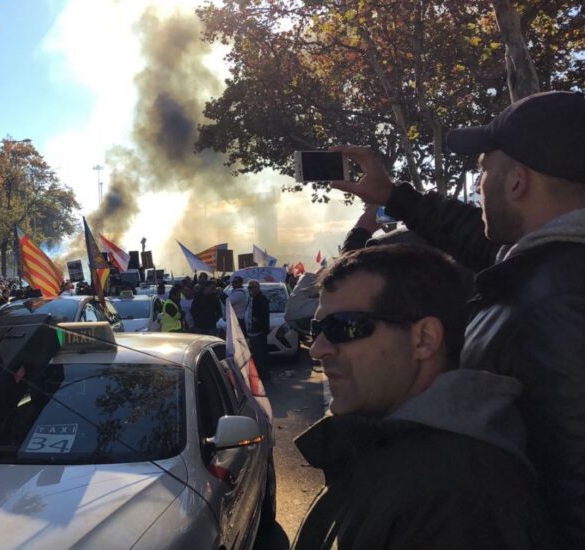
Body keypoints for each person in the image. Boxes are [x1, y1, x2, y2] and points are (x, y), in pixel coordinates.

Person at [330, 90, 585, 544]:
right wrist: (393, 196)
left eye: (484, 168)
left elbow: (574, 487)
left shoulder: (558, 304)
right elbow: (473, 238)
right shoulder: (542, 267)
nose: (479, 182)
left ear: (516, 182)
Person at [293, 245, 552, 549]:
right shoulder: (398, 455)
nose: (318, 348)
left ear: (424, 339)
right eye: (318, 328)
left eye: (344, 327)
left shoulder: (455, 501)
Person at [245, 279, 271, 381]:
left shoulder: (262, 299)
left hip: (259, 332)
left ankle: (263, 375)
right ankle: (260, 374)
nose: (249, 290)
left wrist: (257, 319)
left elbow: (264, 315)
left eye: (251, 288)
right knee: (256, 355)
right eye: (248, 288)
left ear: (256, 288)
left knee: (261, 355)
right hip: (251, 332)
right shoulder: (251, 299)